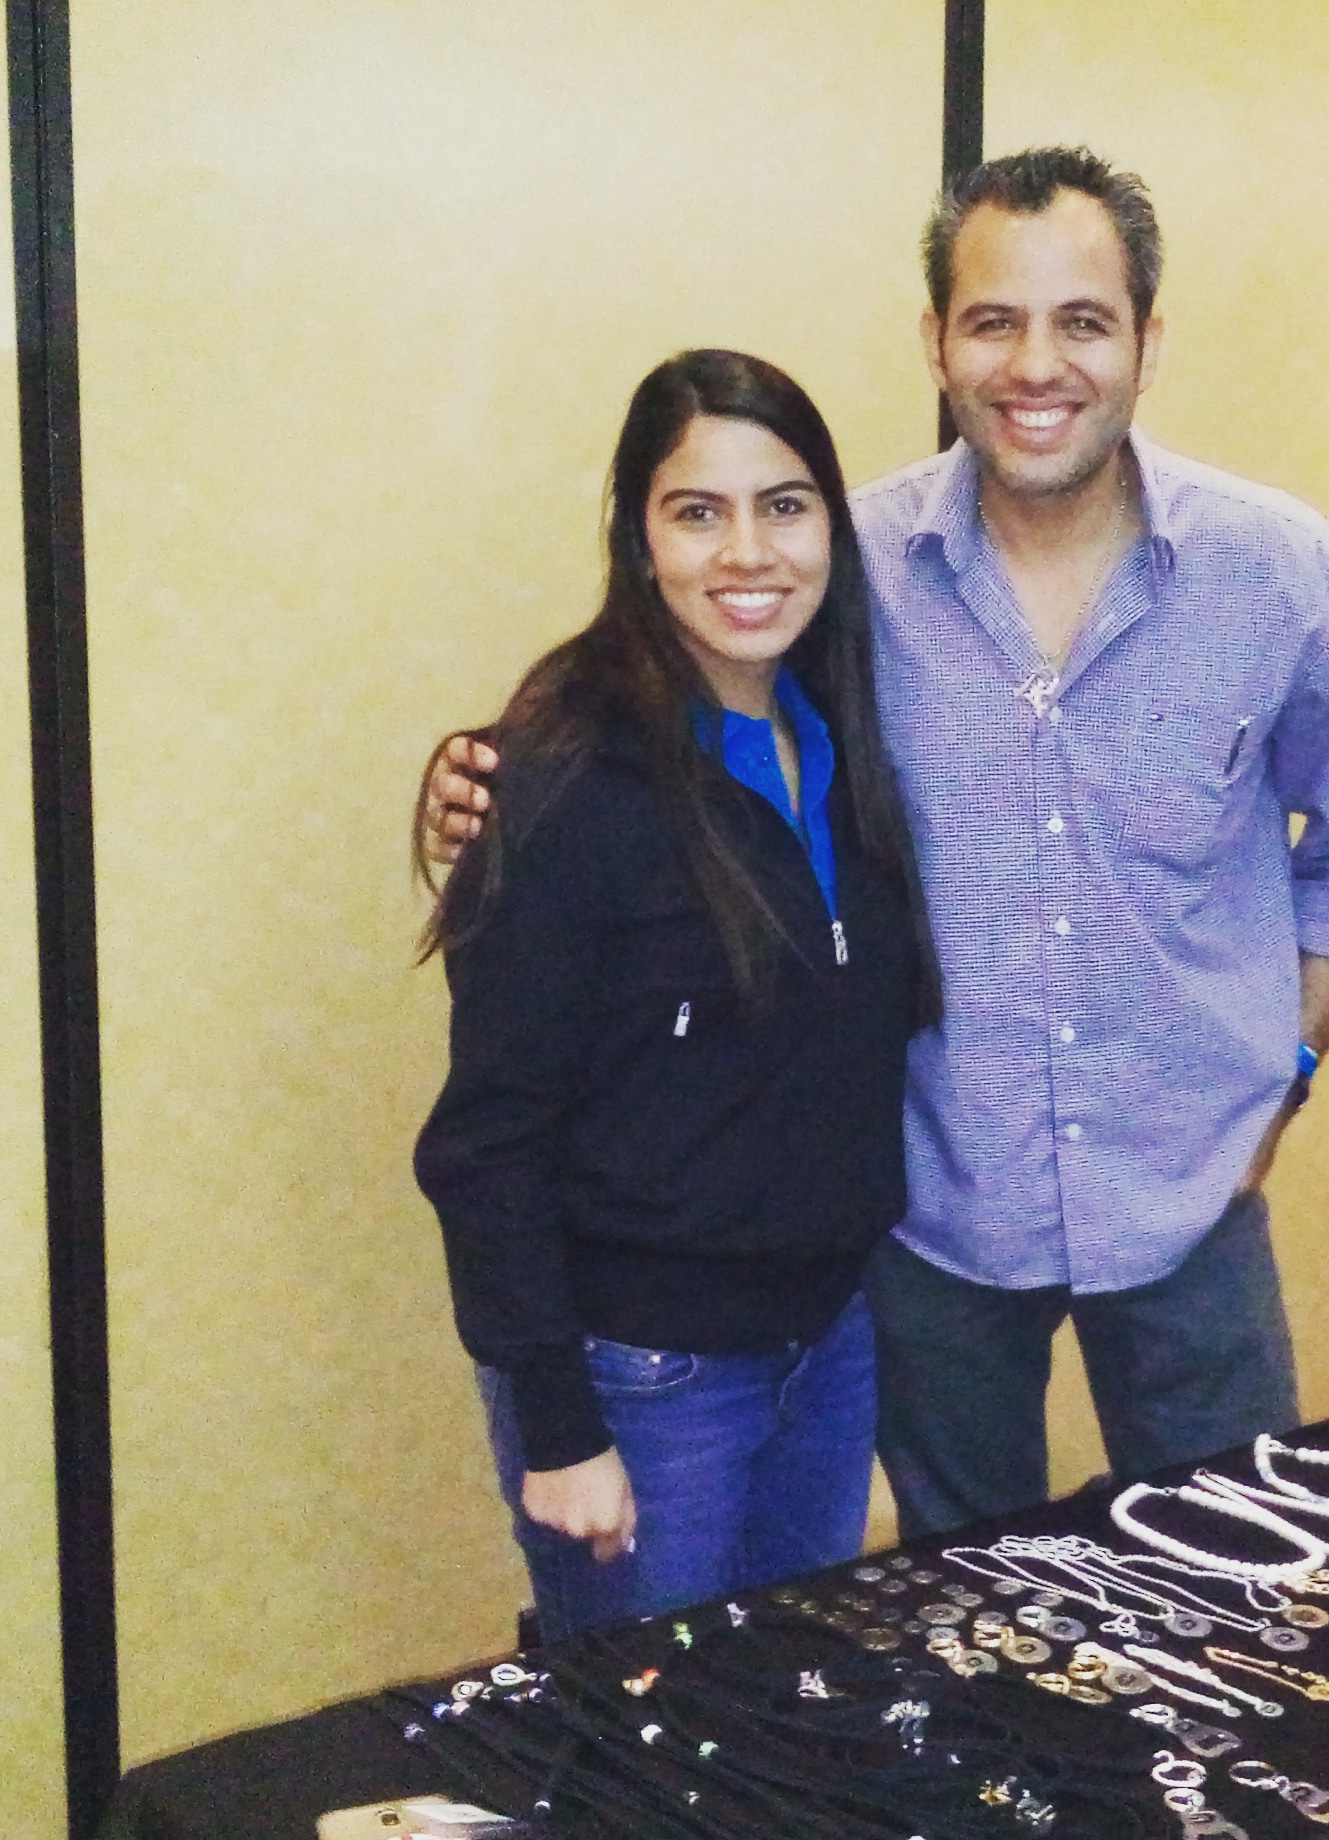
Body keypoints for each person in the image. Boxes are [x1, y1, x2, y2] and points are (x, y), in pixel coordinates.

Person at [428, 148, 1329, 1543]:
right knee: (957, 1607)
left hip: (1191, 1198)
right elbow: (669, 704)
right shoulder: (846, 566)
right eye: (993, 321)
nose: (1038, 366)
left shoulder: (1278, 571)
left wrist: (1291, 1076)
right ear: (936, 341)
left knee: (1246, 1581)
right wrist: (496, 775)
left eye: (1083, 321)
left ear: (1148, 340)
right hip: (932, 1218)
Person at [413, 349, 935, 1639]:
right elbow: (487, 1142)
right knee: (647, 1737)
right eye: (698, 512)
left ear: (832, 530)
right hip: (645, 1380)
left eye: (785, 506)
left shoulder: (850, 733)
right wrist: (559, 1429)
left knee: (780, 1713)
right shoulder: (567, 780)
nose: (748, 553)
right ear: (640, 542)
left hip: (830, 1349)